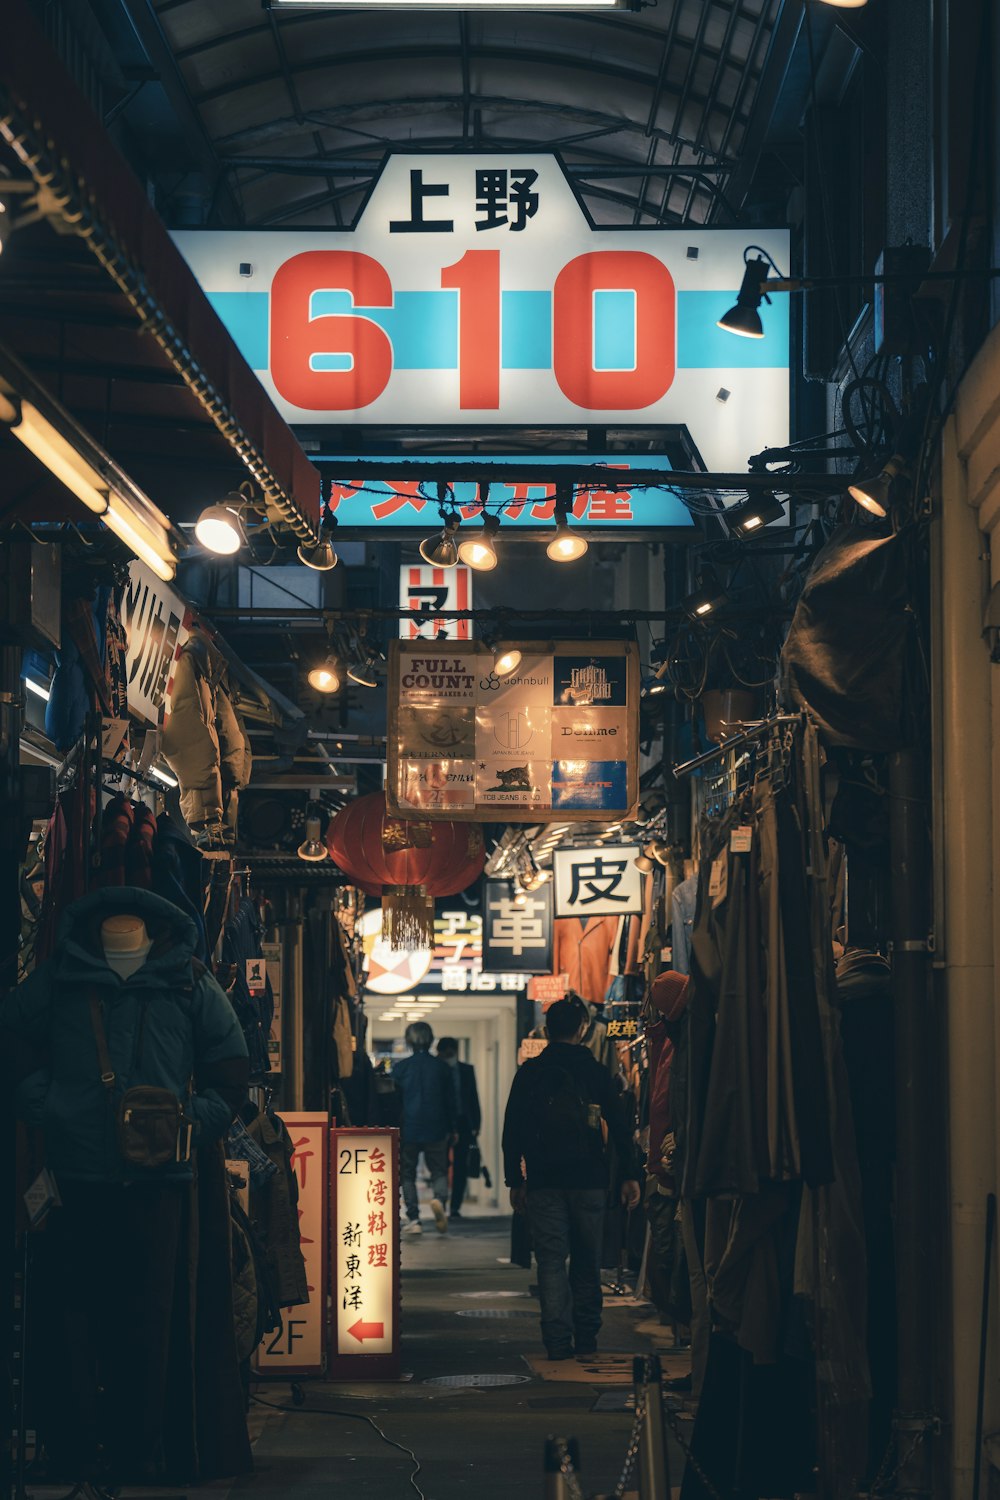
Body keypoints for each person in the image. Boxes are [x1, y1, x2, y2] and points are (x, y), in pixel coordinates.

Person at [502, 994, 641, 1361]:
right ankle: (587, 1336)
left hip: (545, 1180)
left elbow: (512, 1128)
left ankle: (557, 1340)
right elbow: (622, 1127)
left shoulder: (531, 1072)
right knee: (587, 1258)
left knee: (550, 1260)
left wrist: (514, 1179)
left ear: (547, 1030)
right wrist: (628, 1175)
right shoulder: (595, 1072)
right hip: (590, 1179)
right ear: (582, 1029)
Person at [393, 1021, 457, 1236]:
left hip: (409, 1127)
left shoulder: (401, 1068)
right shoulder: (442, 1067)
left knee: (408, 1174)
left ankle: (414, 1219)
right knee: (438, 1169)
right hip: (437, 1127)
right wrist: (453, 1128)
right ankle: (439, 1200)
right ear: (431, 1040)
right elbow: (451, 1101)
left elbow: (396, 1102)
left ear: (409, 1041)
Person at [436, 1036, 482, 1220]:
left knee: (461, 1165)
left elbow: (473, 1097)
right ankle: (441, 1202)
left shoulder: (466, 1070)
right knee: (441, 1164)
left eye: (451, 1052)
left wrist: (476, 1124)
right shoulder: (437, 1070)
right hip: (442, 1122)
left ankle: (454, 1206)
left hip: (463, 1122)